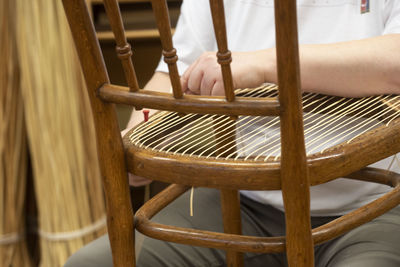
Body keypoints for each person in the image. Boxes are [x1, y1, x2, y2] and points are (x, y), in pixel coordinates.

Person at [65, 0, 400, 266]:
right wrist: (140, 129)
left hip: (373, 201)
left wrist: (265, 64)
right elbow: (175, 76)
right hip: (244, 199)